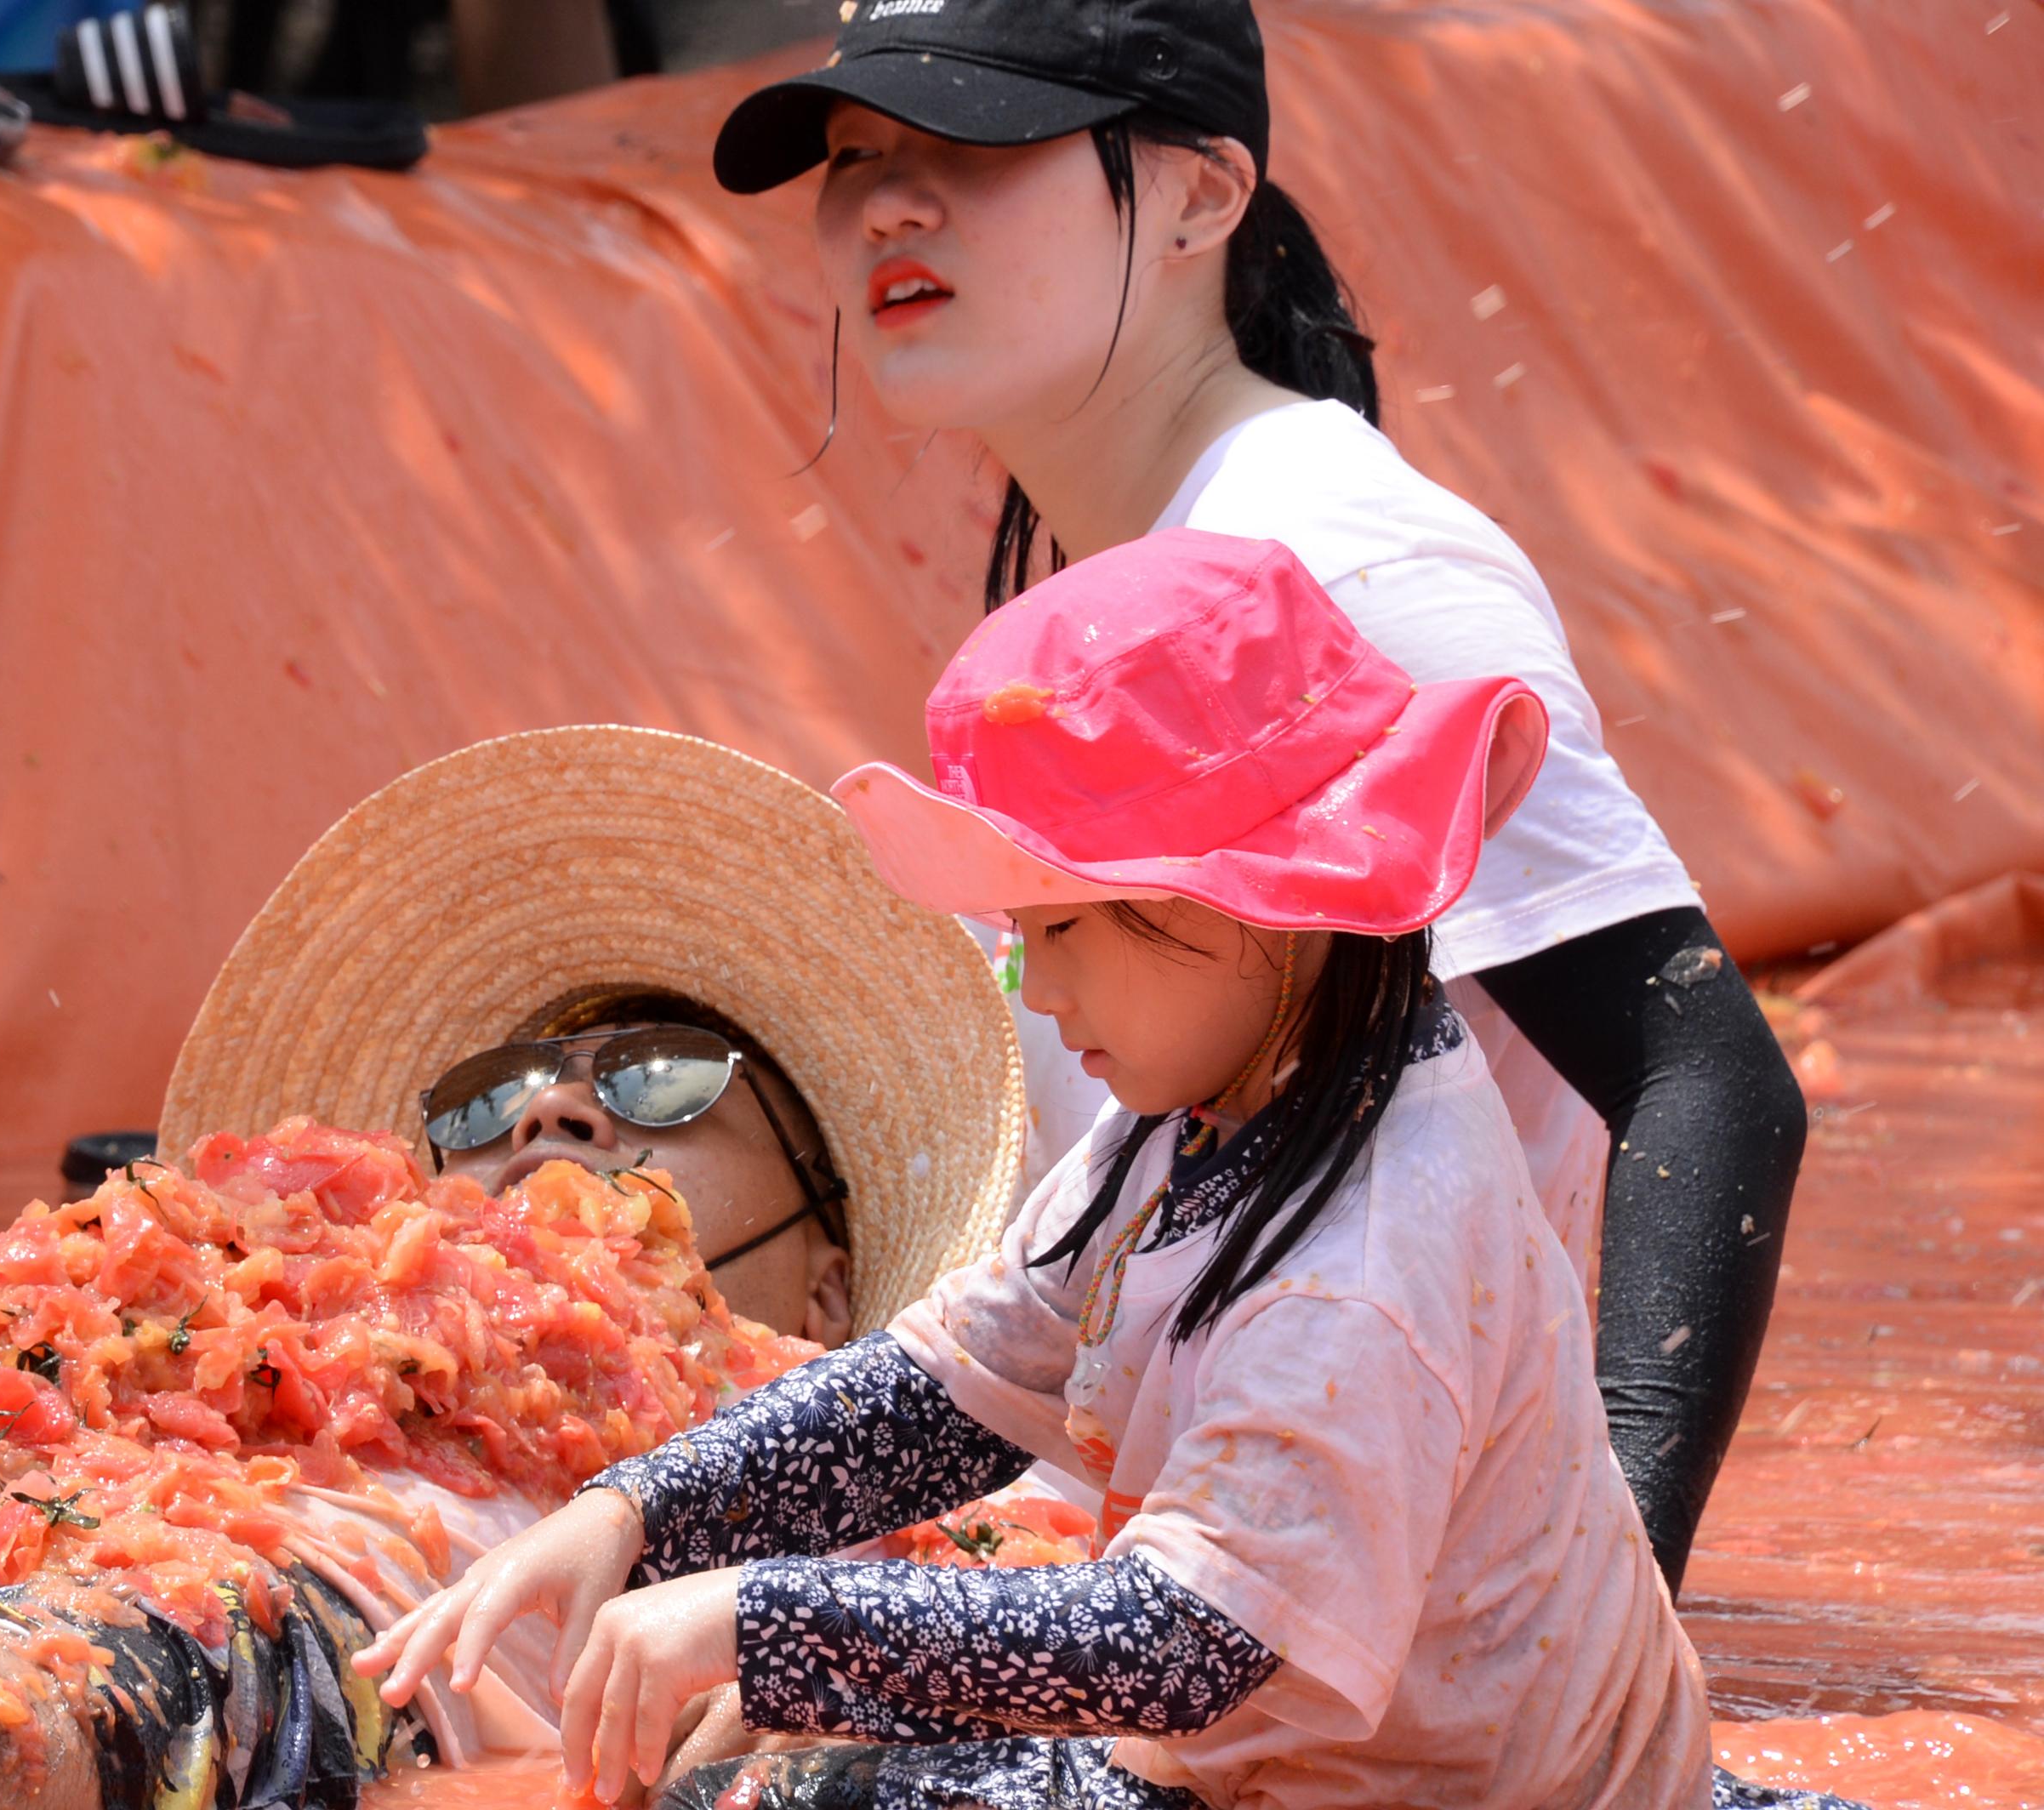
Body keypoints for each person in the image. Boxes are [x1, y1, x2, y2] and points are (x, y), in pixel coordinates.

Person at [363, 533, 1862, 1810]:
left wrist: (769, 1619)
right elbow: (944, 1394)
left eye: (1065, 927)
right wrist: (631, 1515)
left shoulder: (1373, 1252)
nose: (1034, 980)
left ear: (1262, 911)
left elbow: (1177, 1645)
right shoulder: (1212, 1098)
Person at [0, 725, 1028, 1810]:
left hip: (263, 1600)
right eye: (488, 1096)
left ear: (823, 1294)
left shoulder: (816, 1427)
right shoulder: (168, 1271)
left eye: (666, 1073)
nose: (563, 1103)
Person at [703, 0, 1806, 1593]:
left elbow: (1710, 1083)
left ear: (1205, 196)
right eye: (858, 154)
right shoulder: (1141, 579)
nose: (888, 202)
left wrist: (1607, 1610)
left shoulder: (1344, 566)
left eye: (976, 141)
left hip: (1351, 1612)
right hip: (1204, 1556)